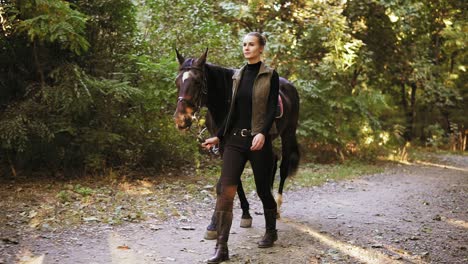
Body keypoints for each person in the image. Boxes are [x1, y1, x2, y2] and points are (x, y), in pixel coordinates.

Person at [201, 32, 280, 264]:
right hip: (235, 141)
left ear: (261, 48)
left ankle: (271, 231)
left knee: (263, 190)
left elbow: (271, 109)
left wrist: (263, 134)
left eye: (251, 44)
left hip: (258, 143)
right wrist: (218, 136)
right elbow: (232, 112)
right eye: (244, 44)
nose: (247, 48)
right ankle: (221, 247)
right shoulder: (237, 75)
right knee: (226, 192)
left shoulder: (270, 76)